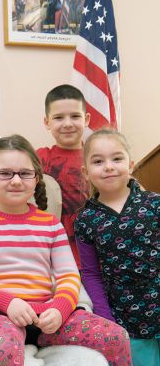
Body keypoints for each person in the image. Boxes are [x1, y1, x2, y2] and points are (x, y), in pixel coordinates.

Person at [0, 134, 132, 366]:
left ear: (36, 178)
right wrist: (8, 303)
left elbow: (69, 276)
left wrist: (60, 309)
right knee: (6, 349)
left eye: (25, 173)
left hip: (46, 316)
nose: (16, 181)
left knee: (116, 337)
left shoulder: (50, 223)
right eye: (5, 173)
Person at [74, 128, 160, 366]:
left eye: (117, 158)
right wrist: (105, 316)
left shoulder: (154, 204)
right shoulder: (86, 220)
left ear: (130, 165)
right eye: (98, 161)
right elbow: (90, 273)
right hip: (127, 320)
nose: (109, 166)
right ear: (86, 172)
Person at [37, 84, 90, 267]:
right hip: (50, 245)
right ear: (47, 122)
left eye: (75, 116)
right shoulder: (39, 158)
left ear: (86, 119)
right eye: (58, 118)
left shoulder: (98, 157)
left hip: (90, 244)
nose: (67, 123)